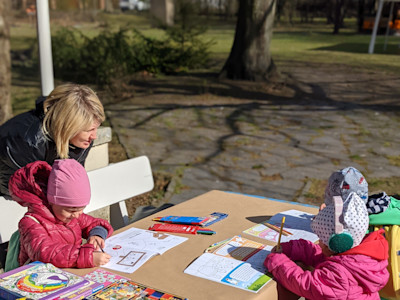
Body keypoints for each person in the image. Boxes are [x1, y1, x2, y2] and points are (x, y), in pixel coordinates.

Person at [264, 191, 389, 300]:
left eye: (322, 239)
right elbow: (321, 256)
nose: (318, 241)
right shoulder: (356, 257)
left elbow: (304, 284)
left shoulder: (340, 276)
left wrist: (277, 262)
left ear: (338, 243)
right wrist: (293, 248)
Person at [0, 83, 105, 196]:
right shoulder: (27, 143)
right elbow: (14, 189)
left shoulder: (81, 140)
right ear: (68, 126)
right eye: (89, 130)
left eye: (96, 128)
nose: (94, 136)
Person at [8, 159, 113, 268]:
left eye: (81, 209)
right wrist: (86, 256)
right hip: (38, 278)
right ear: (52, 201)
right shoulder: (31, 223)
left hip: (67, 272)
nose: (77, 215)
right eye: (71, 210)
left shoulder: (71, 216)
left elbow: (97, 223)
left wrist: (97, 234)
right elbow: (44, 252)